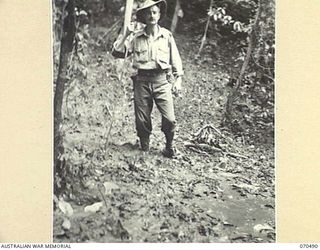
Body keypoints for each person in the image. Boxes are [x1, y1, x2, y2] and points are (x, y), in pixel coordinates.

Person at [112, 0, 183, 158]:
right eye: (148, 13)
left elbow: (176, 60)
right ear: (144, 16)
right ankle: (144, 147)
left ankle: (169, 147)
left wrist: (178, 80)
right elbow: (117, 53)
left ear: (159, 15)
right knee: (142, 119)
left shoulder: (166, 36)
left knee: (170, 119)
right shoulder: (136, 37)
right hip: (142, 81)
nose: (151, 15)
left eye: (154, 12)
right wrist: (125, 34)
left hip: (162, 81)